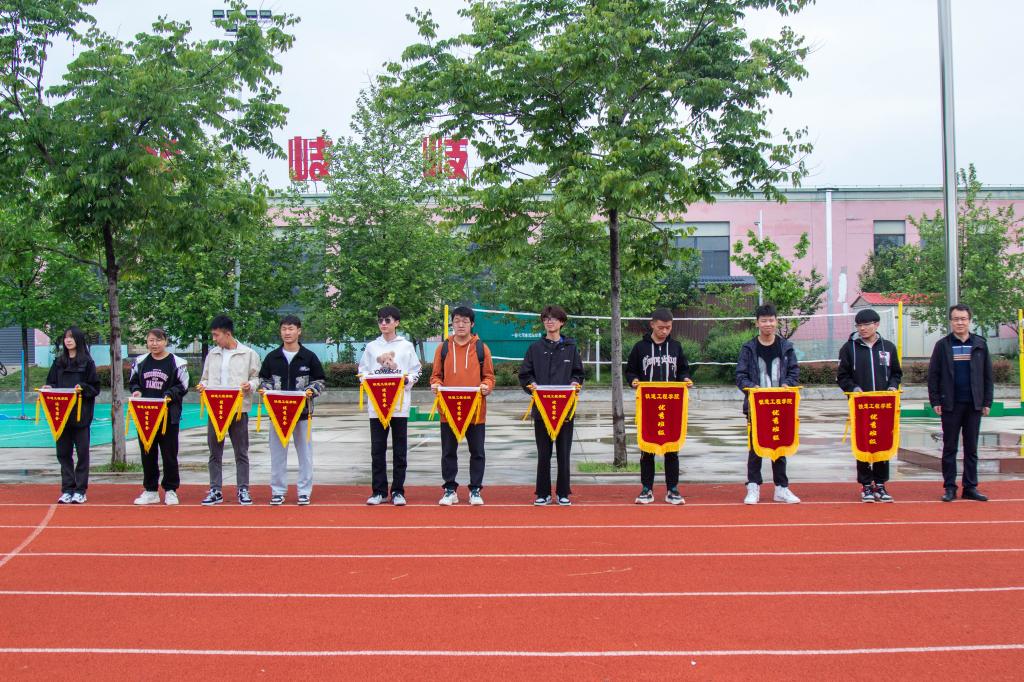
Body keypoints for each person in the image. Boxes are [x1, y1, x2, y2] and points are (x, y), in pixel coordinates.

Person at [625, 308, 692, 505]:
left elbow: (683, 370)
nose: (664, 331)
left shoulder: (676, 347)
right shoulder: (640, 348)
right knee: (647, 449)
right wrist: (634, 380)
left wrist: (685, 379)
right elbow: (630, 370)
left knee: (672, 449)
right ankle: (646, 489)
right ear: (652, 324)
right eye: (661, 327)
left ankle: (673, 489)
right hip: (648, 406)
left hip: (671, 406)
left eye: (668, 328)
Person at [519, 305, 585, 506]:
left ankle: (563, 493)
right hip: (542, 409)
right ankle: (543, 493)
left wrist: (575, 382)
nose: (549, 321)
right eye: (546, 318)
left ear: (562, 322)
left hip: (565, 409)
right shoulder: (535, 348)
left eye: (554, 318)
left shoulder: (571, 348)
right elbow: (525, 374)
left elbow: (578, 373)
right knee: (543, 454)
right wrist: (532, 385)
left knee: (564, 453)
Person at [429, 306, 495, 506]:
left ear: (472, 324)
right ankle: (450, 489)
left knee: (477, 452)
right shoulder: (443, 348)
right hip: (448, 410)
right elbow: (436, 375)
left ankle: (475, 489)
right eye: (456, 321)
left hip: (475, 411)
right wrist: (436, 385)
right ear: (452, 323)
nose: (460, 325)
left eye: (465, 321)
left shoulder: (481, 348)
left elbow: (489, 376)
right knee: (448, 452)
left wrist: (487, 386)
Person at [735, 303, 801, 505]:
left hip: (780, 406)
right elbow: (740, 376)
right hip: (756, 407)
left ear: (776, 321)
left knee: (779, 447)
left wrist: (787, 384)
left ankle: (781, 488)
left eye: (771, 320)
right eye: (763, 321)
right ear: (757, 323)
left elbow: (794, 372)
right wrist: (752, 388)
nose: (768, 324)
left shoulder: (786, 347)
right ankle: (753, 486)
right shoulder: (749, 348)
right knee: (755, 448)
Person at [928, 304, 994, 502]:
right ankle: (950, 487)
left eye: (963, 319)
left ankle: (970, 487)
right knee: (950, 448)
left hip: (974, 404)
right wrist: (935, 400)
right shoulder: (942, 345)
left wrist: (987, 401)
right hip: (951, 404)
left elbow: (987, 376)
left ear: (969, 320)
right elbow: (934, 375)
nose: (960, 322)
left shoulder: (980, 344)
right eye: (956, 319)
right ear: (950, 321)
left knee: (971, 448)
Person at [358, 306, 422, 506]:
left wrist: (407, 380)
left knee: (400, 450)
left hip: (399, 406)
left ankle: (397, 491)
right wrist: (367, 381)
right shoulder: (371, 347)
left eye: (387, 320)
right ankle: (378, 491)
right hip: (377, 406)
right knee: (377, 449)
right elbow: (362, 371)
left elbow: (416, 370)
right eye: (380, 320)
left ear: (397, 322)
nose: (383, 324)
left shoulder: (406, 346)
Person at [258, 315, 326, 506]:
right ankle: (278, 491)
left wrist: (311, 391)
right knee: (277, 455)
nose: (287, 333)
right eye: (284, 329)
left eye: (291, 329)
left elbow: (320, 381)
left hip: (303, 414)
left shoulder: (309, 357)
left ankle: (304, 491)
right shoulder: (272, 357)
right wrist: (265, 389)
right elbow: (264, 380)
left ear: (299, 331)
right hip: (277, 415)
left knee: (305, 455)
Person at [837, 308, 903, 503]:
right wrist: (853, 388)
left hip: (884, 406)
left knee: (882, 441)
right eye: (859, 325)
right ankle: (866, 484)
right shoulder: (849, 348)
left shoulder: (888, 347)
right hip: (861, 406)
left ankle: (880, 484)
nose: (862, 329)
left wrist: (892, 386)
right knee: (863, 442)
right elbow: (842, 376)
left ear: (876, 324)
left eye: (866, 324)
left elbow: (896, 373)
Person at [196, 315, 262, 506]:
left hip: (238, 409)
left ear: (228, 333)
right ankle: (215, 489)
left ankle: (243, 489)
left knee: (241, 451)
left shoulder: (248, 354)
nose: (214, 339)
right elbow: (205, 378)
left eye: (216, 335)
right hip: (216, 408)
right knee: (214, 451)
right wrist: (202, 385)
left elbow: (256, 378)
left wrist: (250, 385)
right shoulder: (213, 354)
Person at [128, 328, 189, 505]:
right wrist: (137, 391)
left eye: (158, 340)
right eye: (151, 340)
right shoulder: (140, 362)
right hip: (145, 415)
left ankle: (170, 490)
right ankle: (150, 490)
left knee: (169, 454)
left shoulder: (177, 363)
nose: (154, 344)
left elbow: (183, 386)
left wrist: (169, 394)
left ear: (165, 341)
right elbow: (133, 382)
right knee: (148, 453)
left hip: (168, 416)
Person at [42, 327, 100, 504]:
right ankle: (67, 489)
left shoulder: (87, 363)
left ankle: (80, 490)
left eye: (71, 337)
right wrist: (49, 388)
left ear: (78, 340)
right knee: (63, 453)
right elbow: (51, 382)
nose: (68, 340)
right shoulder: (58, 362)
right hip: (61, 416)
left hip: (80, 415)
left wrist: (82, 387)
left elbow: (95, 388)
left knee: (82, 453)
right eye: (66, 337)